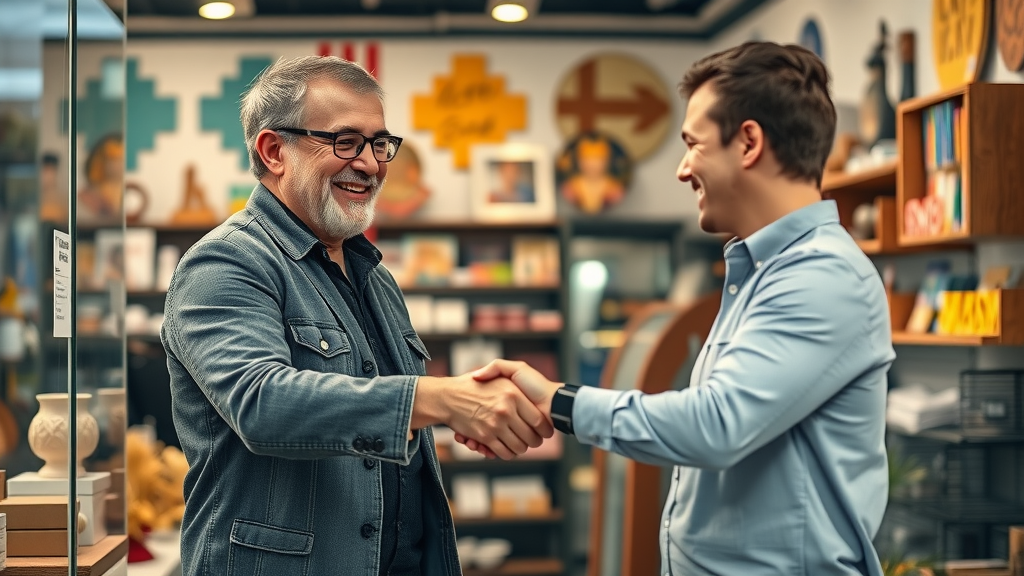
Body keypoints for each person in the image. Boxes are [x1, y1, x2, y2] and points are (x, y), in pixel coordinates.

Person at [463, 41, 895, 575]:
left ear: (749, 143)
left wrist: (560, 401)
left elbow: (715, 426)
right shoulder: (761, 271)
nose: (682, 169)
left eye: (693, 144)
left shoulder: (820, 276)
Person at [161, 55, 552, 576]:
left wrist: (457, 409)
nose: (370, 163)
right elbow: (261, 402)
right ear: (274, 150)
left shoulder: (374, 276)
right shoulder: (226, 262)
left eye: (380, 144)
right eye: (345, 142)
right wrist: (438, 398)